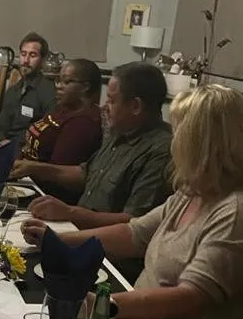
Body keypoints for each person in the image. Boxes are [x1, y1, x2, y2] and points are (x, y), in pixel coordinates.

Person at [22, 84, 243, 319]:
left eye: (178, 132)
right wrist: (59, 239)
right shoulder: (195, 192)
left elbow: (191, 298)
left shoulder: (241, 210)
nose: (172, 142)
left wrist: (97, 306)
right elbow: (134, 233)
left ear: (199, 143)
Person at [13, 62, 172, 227]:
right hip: (74, 229)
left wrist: (69, 213)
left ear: (135, 106)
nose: (105, 107)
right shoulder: (122, 131)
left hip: (102, 246)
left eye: (111, 100)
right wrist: (32, 167)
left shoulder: (160, 151)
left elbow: (134, 222)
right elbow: (85, 174)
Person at [17, 58, 102, 175]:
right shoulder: (63, 108)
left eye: (66, 82)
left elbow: (57, 172)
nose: (58, 86)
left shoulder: (84, 123)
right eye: (58, 81)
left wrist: (28, 168)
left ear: (85, 87)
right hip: (24, 175)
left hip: (42, 187)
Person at [0, 32, 57, 144]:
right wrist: (1, 142)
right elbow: (0, 129)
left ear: (42, 60)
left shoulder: (49, 92)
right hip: (3, 149)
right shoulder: (13, 91)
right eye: (23, 54)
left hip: (26, 154)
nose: (25, 61)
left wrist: (13, 145)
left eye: (32, 56)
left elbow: (47, 134)